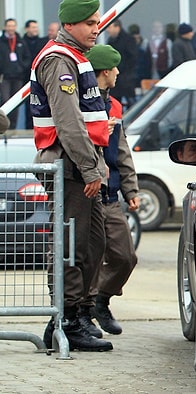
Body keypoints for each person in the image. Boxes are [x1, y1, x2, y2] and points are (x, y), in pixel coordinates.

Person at [32, 0, 112, 351]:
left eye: (97, 22)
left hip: (82, 165)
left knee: (92, 243)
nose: (97, 28)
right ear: (73, 23)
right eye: (91, 22)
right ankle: (65, 319)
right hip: (70, 164)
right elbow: (68, 123)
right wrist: (89, 166)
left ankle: (78, 313)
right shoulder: (58, 59)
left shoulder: (76, 55)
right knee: (71, 246)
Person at [82, 44, 140, 337]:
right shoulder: (82, 104)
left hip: (111, 196)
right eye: (115, 68)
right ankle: (85, 313)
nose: (118, 72)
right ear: (105, 71)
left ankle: (101, 300)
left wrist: (130, 189)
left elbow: (122, 149)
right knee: (90, 259)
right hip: (88, 193)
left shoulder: (115, 106)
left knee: (125, 257)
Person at [0, 18, 31, 129]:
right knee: (5, 100)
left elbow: (27, 57)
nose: (11, 28)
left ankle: (12, 127)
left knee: (16, 103)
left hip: (18, 76)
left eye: (13, 26)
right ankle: (3, 127)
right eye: (9, 26)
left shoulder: (20, 41)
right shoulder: (1, 41)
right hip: (5, 77)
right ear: (5, 27)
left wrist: (21, 66)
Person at [106, 19, 138, 109]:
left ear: (117, 27)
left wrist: (125, 70)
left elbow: (133, 58)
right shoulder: (110, 41)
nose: (107, 30)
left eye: (109, 27)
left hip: (126, 78)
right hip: (115, 80)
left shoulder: (128, 40)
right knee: (115, 104)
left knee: (131, 103)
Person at [24, 19, 48, 129]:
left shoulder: (42, 42)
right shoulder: (22, 42)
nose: (35, 29)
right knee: (27, 104)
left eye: (36, 27)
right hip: (24, 77)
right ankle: (28, 127)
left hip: (39, 76)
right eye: (33, 27)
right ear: (27, 28)